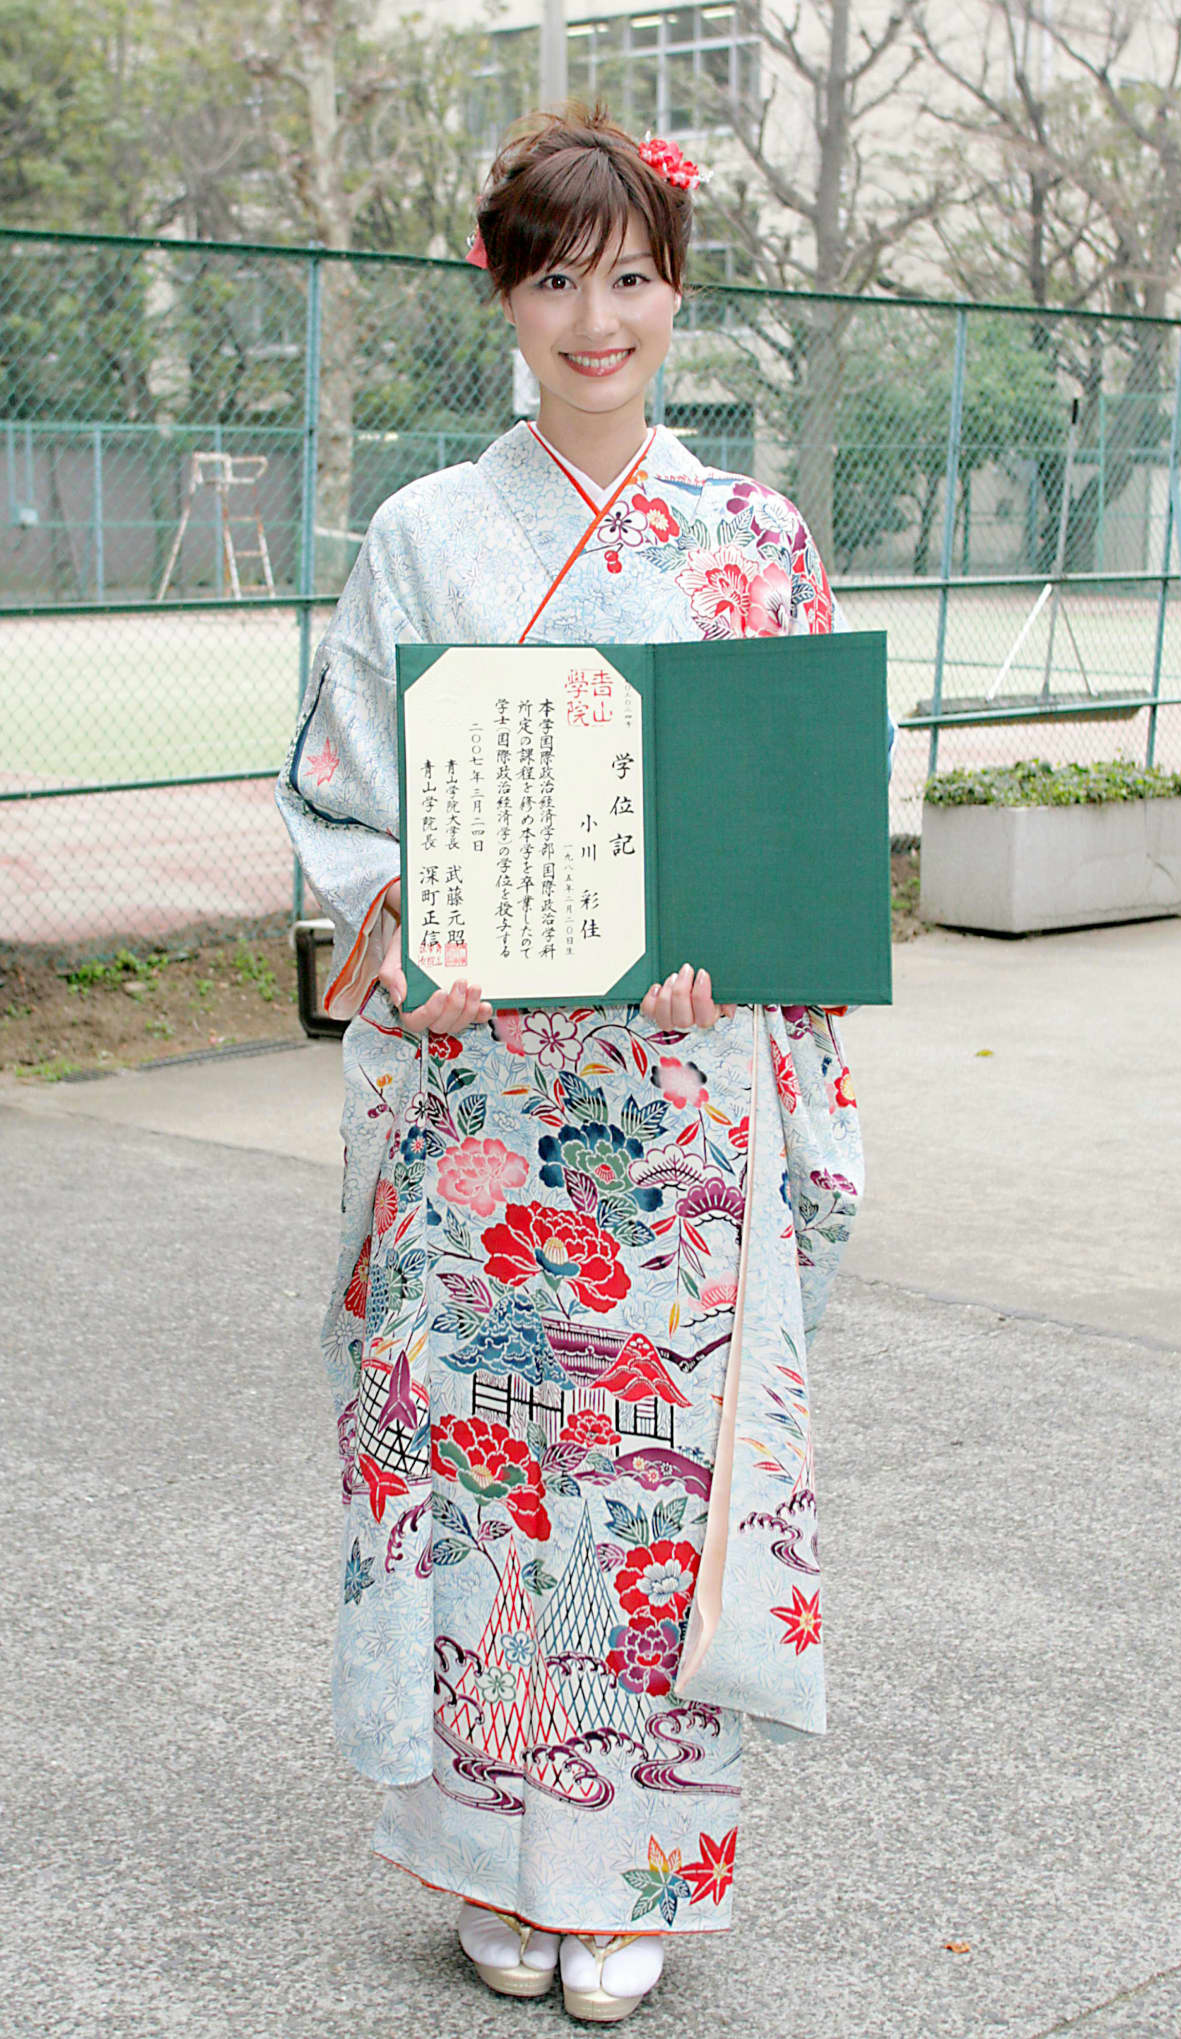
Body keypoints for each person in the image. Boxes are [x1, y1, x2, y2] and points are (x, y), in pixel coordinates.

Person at [277, 102, 871, 2025]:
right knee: (484, 1477)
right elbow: (341, 804)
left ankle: (636, 1876)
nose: (596, 321)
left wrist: (751, 955)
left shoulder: (752, 539)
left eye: (631, 279)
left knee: (645, 1486)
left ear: (675, 289)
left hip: (672, 1120)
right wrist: (411, 958)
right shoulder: (427, 536)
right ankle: (486, 1858)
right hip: (478, 1117)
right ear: (502, 294)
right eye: (556, 281)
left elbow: (794, 824)